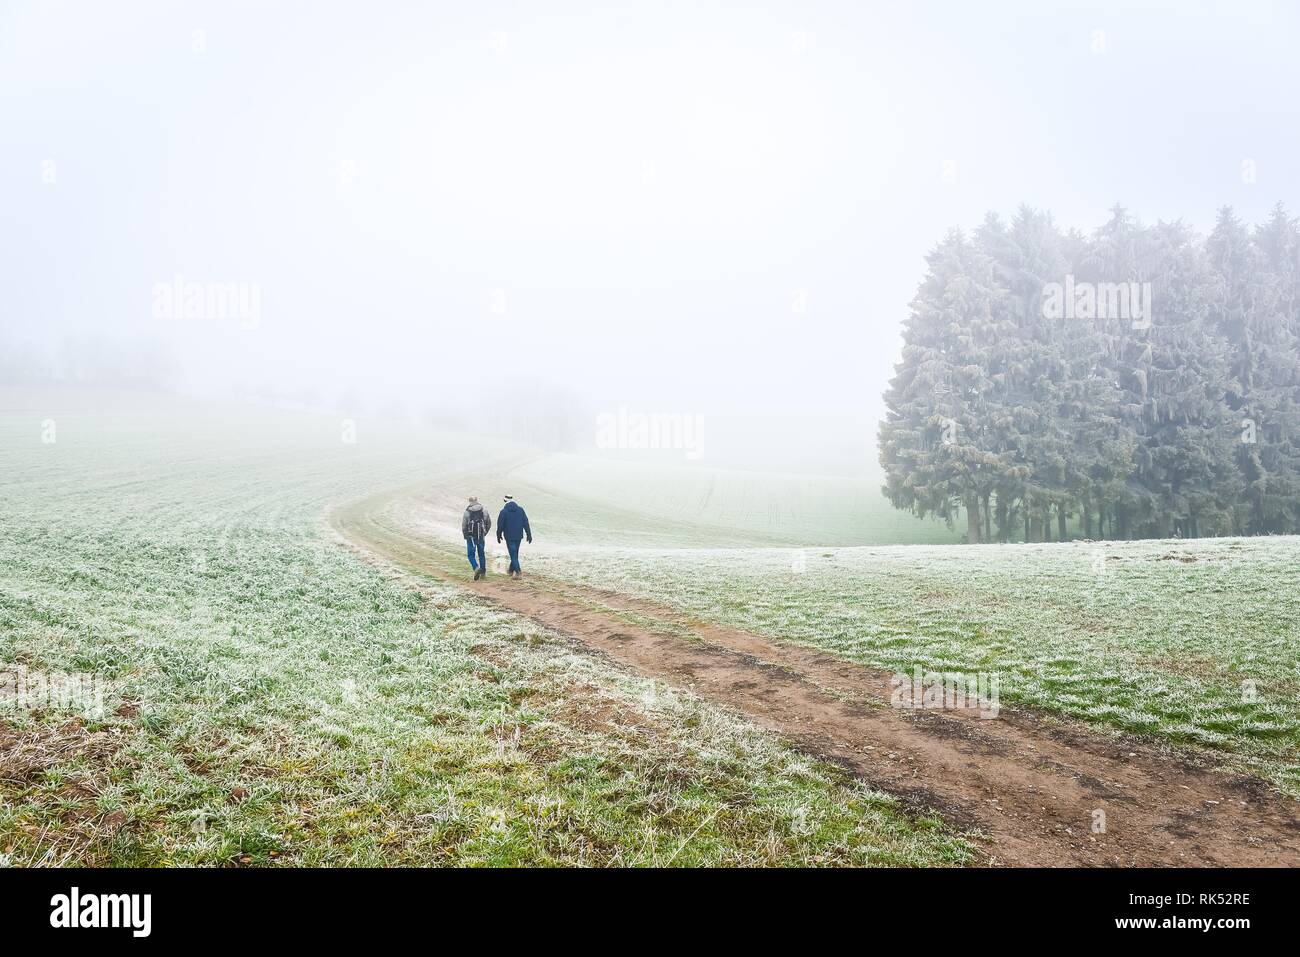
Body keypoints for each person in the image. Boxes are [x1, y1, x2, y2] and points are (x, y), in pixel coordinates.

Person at [496, 494, 532, 578]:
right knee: (515, 553)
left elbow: (500, 525)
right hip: (518, 535)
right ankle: (511, 570)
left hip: (509, 536)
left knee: (513, 554)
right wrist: (528, 534)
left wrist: (498, 535)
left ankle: (518, 571)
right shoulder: (520, 510)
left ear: (505, 501)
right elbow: (525, 523)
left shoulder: (503, 512)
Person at [461, 496, 491, 580]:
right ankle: (483, 573)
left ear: (469, 501)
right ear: (477, 500)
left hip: (471, 537)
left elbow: (464, 526)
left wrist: (465, 536)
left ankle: (476, 568)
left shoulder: (467, 512)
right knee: (481, 554)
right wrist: (484, 533)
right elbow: (489, 523)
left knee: (471, 555)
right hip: (481, 536)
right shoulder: (484, 510)